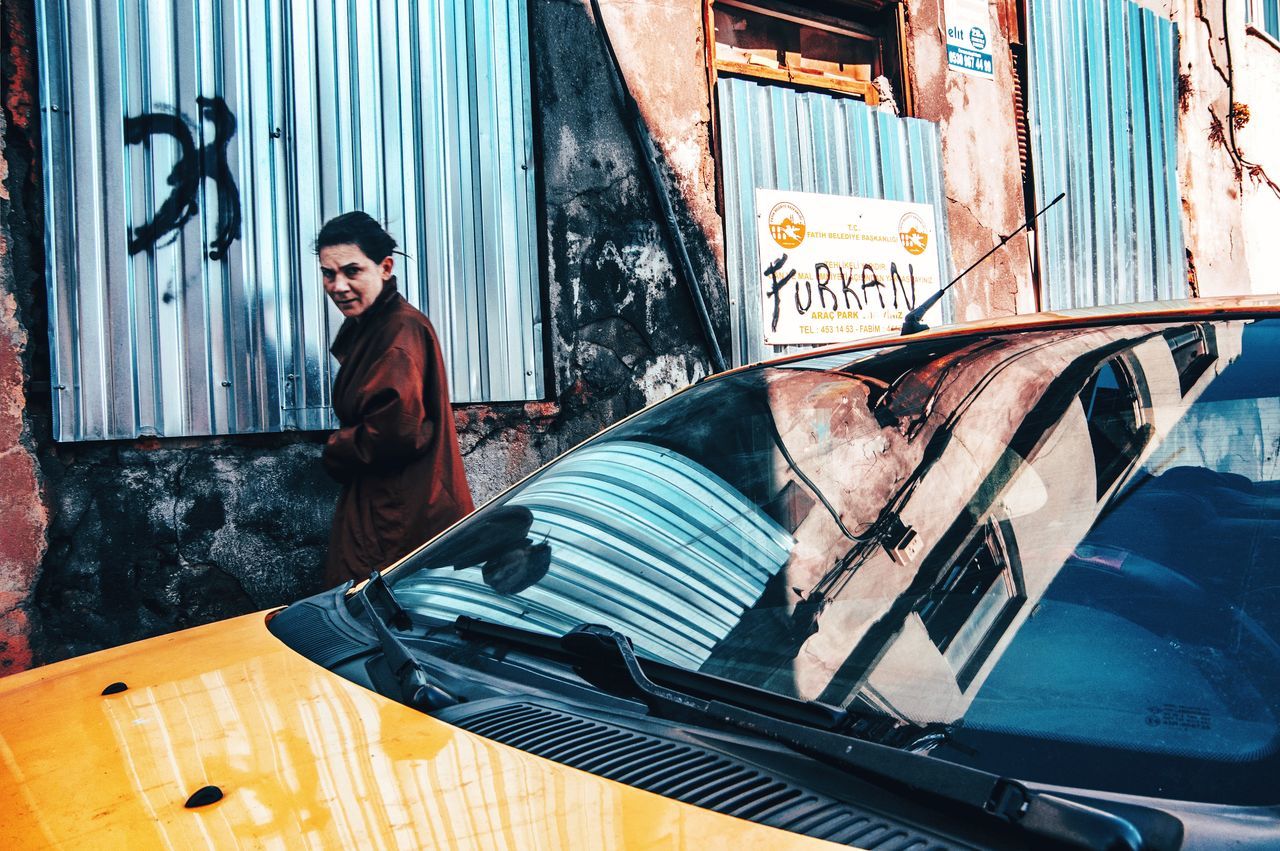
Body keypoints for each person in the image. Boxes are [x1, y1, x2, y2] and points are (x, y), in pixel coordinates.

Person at [317, 211, 474, 587]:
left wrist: (335, 448)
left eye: (352, 271)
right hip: (389, 506)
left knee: (373, 618)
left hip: (399, 515)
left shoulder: (398, 331)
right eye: (328, 273)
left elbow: (396, 429)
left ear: (385, 268)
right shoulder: (377, 326)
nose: (338, 286)